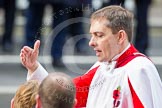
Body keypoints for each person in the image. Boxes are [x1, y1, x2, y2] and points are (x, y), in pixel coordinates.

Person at [20, 5, 162, 108]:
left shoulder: (140, 70)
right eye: (91, 35)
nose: (91, 43)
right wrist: (35, 68)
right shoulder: (102, 67)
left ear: (120, 36)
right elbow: (66, 93)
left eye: (99, 35)